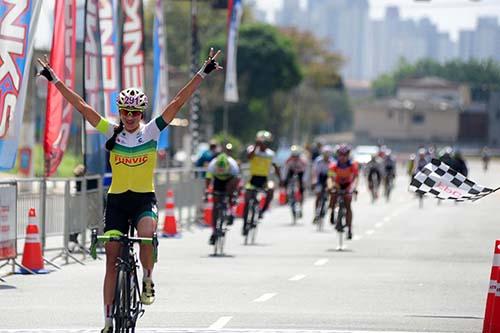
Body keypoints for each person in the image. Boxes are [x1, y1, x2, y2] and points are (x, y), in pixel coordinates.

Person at [37, 48, 222, 333]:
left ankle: (147, 277)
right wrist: (54, 79)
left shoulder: (152, 132)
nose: (131, 116)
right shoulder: (111, 131)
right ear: (120, 112)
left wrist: (203, 72)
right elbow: (82, 107)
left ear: (141, 113)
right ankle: (108, 320)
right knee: (111, 259)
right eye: (126, 111)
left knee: (146, 236)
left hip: (143, 199)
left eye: (135, 112)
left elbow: (178, 101)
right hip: (116, 202)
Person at [243, 130, 281, 235]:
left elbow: (276, 167)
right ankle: (245, 223)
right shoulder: (253, 150)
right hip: (253, 178)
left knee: (271, 190)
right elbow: (249, 157)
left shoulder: (270, 154)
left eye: (265, 143)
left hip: (264, 179)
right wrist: (256, 146)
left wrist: (281, 179)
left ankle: (262, 211)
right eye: (262, 142)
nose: (263, 144)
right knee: (247, 197)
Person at [205, 153, 240, 245]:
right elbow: (208, 179)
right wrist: (206, 192)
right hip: (217, 181)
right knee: (215, 206)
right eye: (219, 169)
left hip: (229, 180)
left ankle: (231, 212)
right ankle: (214, 231)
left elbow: (236, 181)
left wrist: (234, 194)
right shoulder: (212, 165)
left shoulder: (233, 165)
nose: (221, 170)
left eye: (222, 169)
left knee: (231, 192)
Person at [328, 144, 359, 239]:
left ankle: (349, 229)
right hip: (337, 184)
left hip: (347, 185)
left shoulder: (353, 165)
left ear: (348, 155)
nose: (343, 157)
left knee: (348, 204)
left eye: (345, 154)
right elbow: (330, 178)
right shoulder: (333, 165)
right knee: (333, 195)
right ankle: (332, 211)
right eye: (341, 154)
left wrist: (354, 188)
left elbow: (356, 177)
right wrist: (330, 187)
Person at [312, 145, 334, 224]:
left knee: (331, 193)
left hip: (329, 177)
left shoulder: (332, 162)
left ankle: (331, 211)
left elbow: (332, 174)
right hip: (320, 178)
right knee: (318, 195)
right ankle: (316, 213)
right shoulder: (318, 161)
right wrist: (314, 182)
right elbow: (315, 173)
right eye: (325, 154)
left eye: (328, 154)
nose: (326, 156)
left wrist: (331, 185)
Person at [283, 145, 308, 214]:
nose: (295, 157)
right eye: (293, 155)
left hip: (301, 172)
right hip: (291, 171)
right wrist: (284, 179)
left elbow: (306, 171)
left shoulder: (303, 160)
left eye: (296, 156)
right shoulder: (289, 159)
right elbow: (285, 169)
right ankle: (287, 196)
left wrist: (304, 181)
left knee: (301, 189)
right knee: (286, 182)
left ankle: (301, 205)